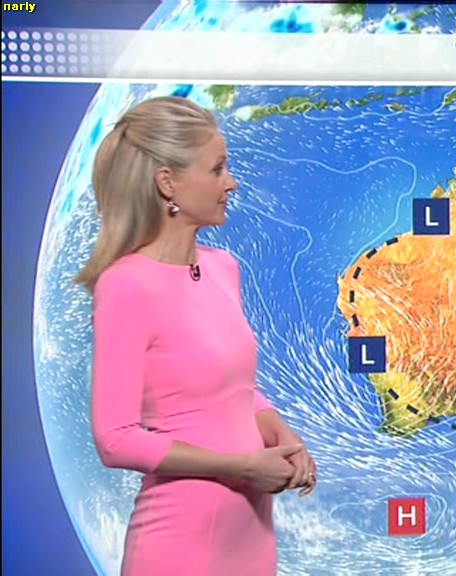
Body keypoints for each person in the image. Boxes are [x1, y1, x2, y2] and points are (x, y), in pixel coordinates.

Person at [75, 96, 317, 576]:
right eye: (217, 169)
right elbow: (115, 440)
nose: (231, 183)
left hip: (250, 535)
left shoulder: (223, 268)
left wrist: (279, 430)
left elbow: (232, 387)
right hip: (181, 541)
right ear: (168, 183)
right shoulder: (126, 286)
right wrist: (243, 466)